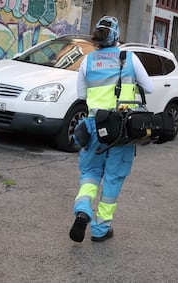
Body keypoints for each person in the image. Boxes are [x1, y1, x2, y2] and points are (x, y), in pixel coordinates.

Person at [69, 16, 153, 243]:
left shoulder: (87, 61)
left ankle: (83, 210)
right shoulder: (129, 58)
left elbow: (81, 95)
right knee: (113, 178)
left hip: (93, 126)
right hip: (121, 129)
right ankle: (100, 229)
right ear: (116, 35)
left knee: (90, 174)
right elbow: (151, 88)